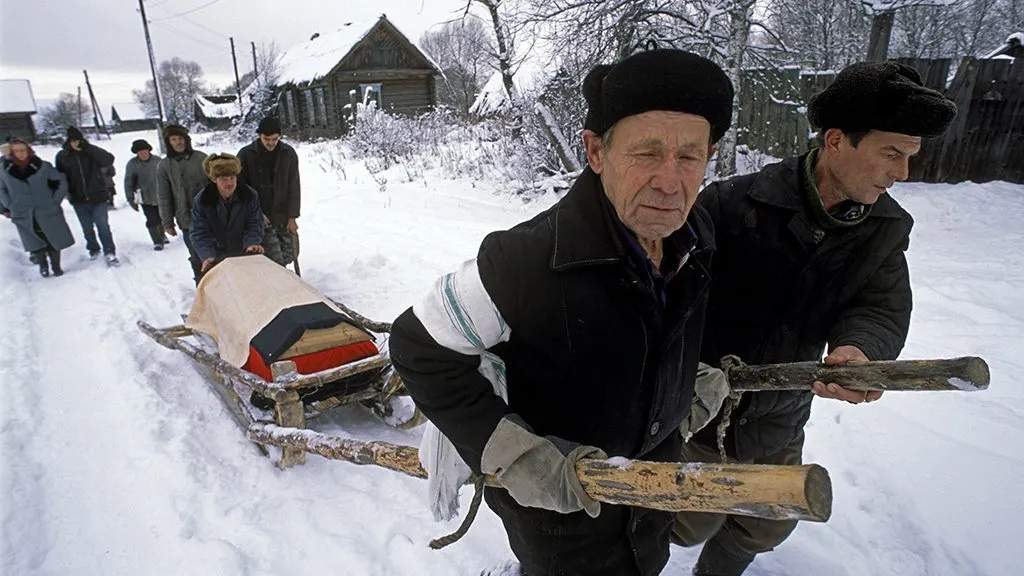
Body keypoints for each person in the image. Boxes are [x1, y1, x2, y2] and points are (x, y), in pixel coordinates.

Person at [388, 49, 735, 576]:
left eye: (689, 157)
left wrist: (680, 389)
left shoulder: (694, 239)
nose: (670, 181)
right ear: (596, 151)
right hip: (562, 519)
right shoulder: (524, 260)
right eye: (646, 153)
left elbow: (663, 333)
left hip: (650, 499)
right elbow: (417, 345)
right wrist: (518, 455)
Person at [671, 61, 958, 575]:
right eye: (891, 153)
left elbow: (880, 304)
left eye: (911, 157)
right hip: (695, 404)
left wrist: (861, 349)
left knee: (768, 519)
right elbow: (667, 288)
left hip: (779, 413)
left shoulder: (886, 229)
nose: (903, 173)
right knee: (685, 517)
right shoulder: (734, 202)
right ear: (835, 141)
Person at [0, 138, 75, 277]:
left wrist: (55, 200)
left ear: (28, 151)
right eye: (17, 151)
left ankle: (56, 266)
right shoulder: (4, 170)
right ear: (12, 153)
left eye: (23, 150)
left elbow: (61, 181)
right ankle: (43, 267)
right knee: (34, 240)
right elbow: (1, 190)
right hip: (22, 211)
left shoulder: (43, 166)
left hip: (46, 209)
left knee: (52, 238)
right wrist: (9, 205)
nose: (21, 153)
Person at [236, 116, 300, 266]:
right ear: (259, 136)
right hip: (261, 217)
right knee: (273, 258)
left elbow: (294, 185)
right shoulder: (245, 155)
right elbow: (240, 188)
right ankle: (279, 284)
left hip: (282, 214)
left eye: (275, 139)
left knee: (290, 253)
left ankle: (282, 278)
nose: (271, 143)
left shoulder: (288, 153)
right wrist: (257, 213)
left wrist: (292, 216)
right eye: (267, 139)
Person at [190, 153, 265, 279]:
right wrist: (207, 256)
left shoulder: (249, 195)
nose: (229, 183)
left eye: (232, 178)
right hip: (215, 250)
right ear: (214, 180)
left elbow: (255, 223)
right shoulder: (202, 200)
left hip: (242, 247)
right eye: (224, 179)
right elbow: (199, 232)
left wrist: (252, 243)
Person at [54, 126, 119, 265]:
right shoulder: (63, 156)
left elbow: (108, 159)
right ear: (68, 141)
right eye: (73, 141)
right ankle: (93, 249)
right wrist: (66, 193)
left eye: (78, 140)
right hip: (78, 198)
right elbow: (59, 176)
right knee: (87, 227)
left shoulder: (91, 152)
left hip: (98, 196)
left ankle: (110, 251)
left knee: (103, 226)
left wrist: (89, 149)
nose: (76, 143)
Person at [156, 124, 209, 284]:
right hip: (187, 220)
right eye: (174, 139)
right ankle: (202, 289)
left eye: (180, 138)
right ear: (169, 142)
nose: (178, 142)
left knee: (216, 254)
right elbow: (164, 196)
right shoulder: (164, 166)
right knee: (196, 256)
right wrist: (167, 223)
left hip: (210, 216)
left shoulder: (201, 158)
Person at [124, 139, 168, 251]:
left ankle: (162, 235)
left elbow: (167, 177)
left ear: (149, 150)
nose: (143, 153)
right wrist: (130, 199)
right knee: (152, 219)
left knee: (161, 217)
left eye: (145, 151)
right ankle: (157, 241)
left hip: (161, 195)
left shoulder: (158, 161)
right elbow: (128, 182)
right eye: (140, 152)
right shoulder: (132, 164)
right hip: (145, 197)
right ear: (136, 153)